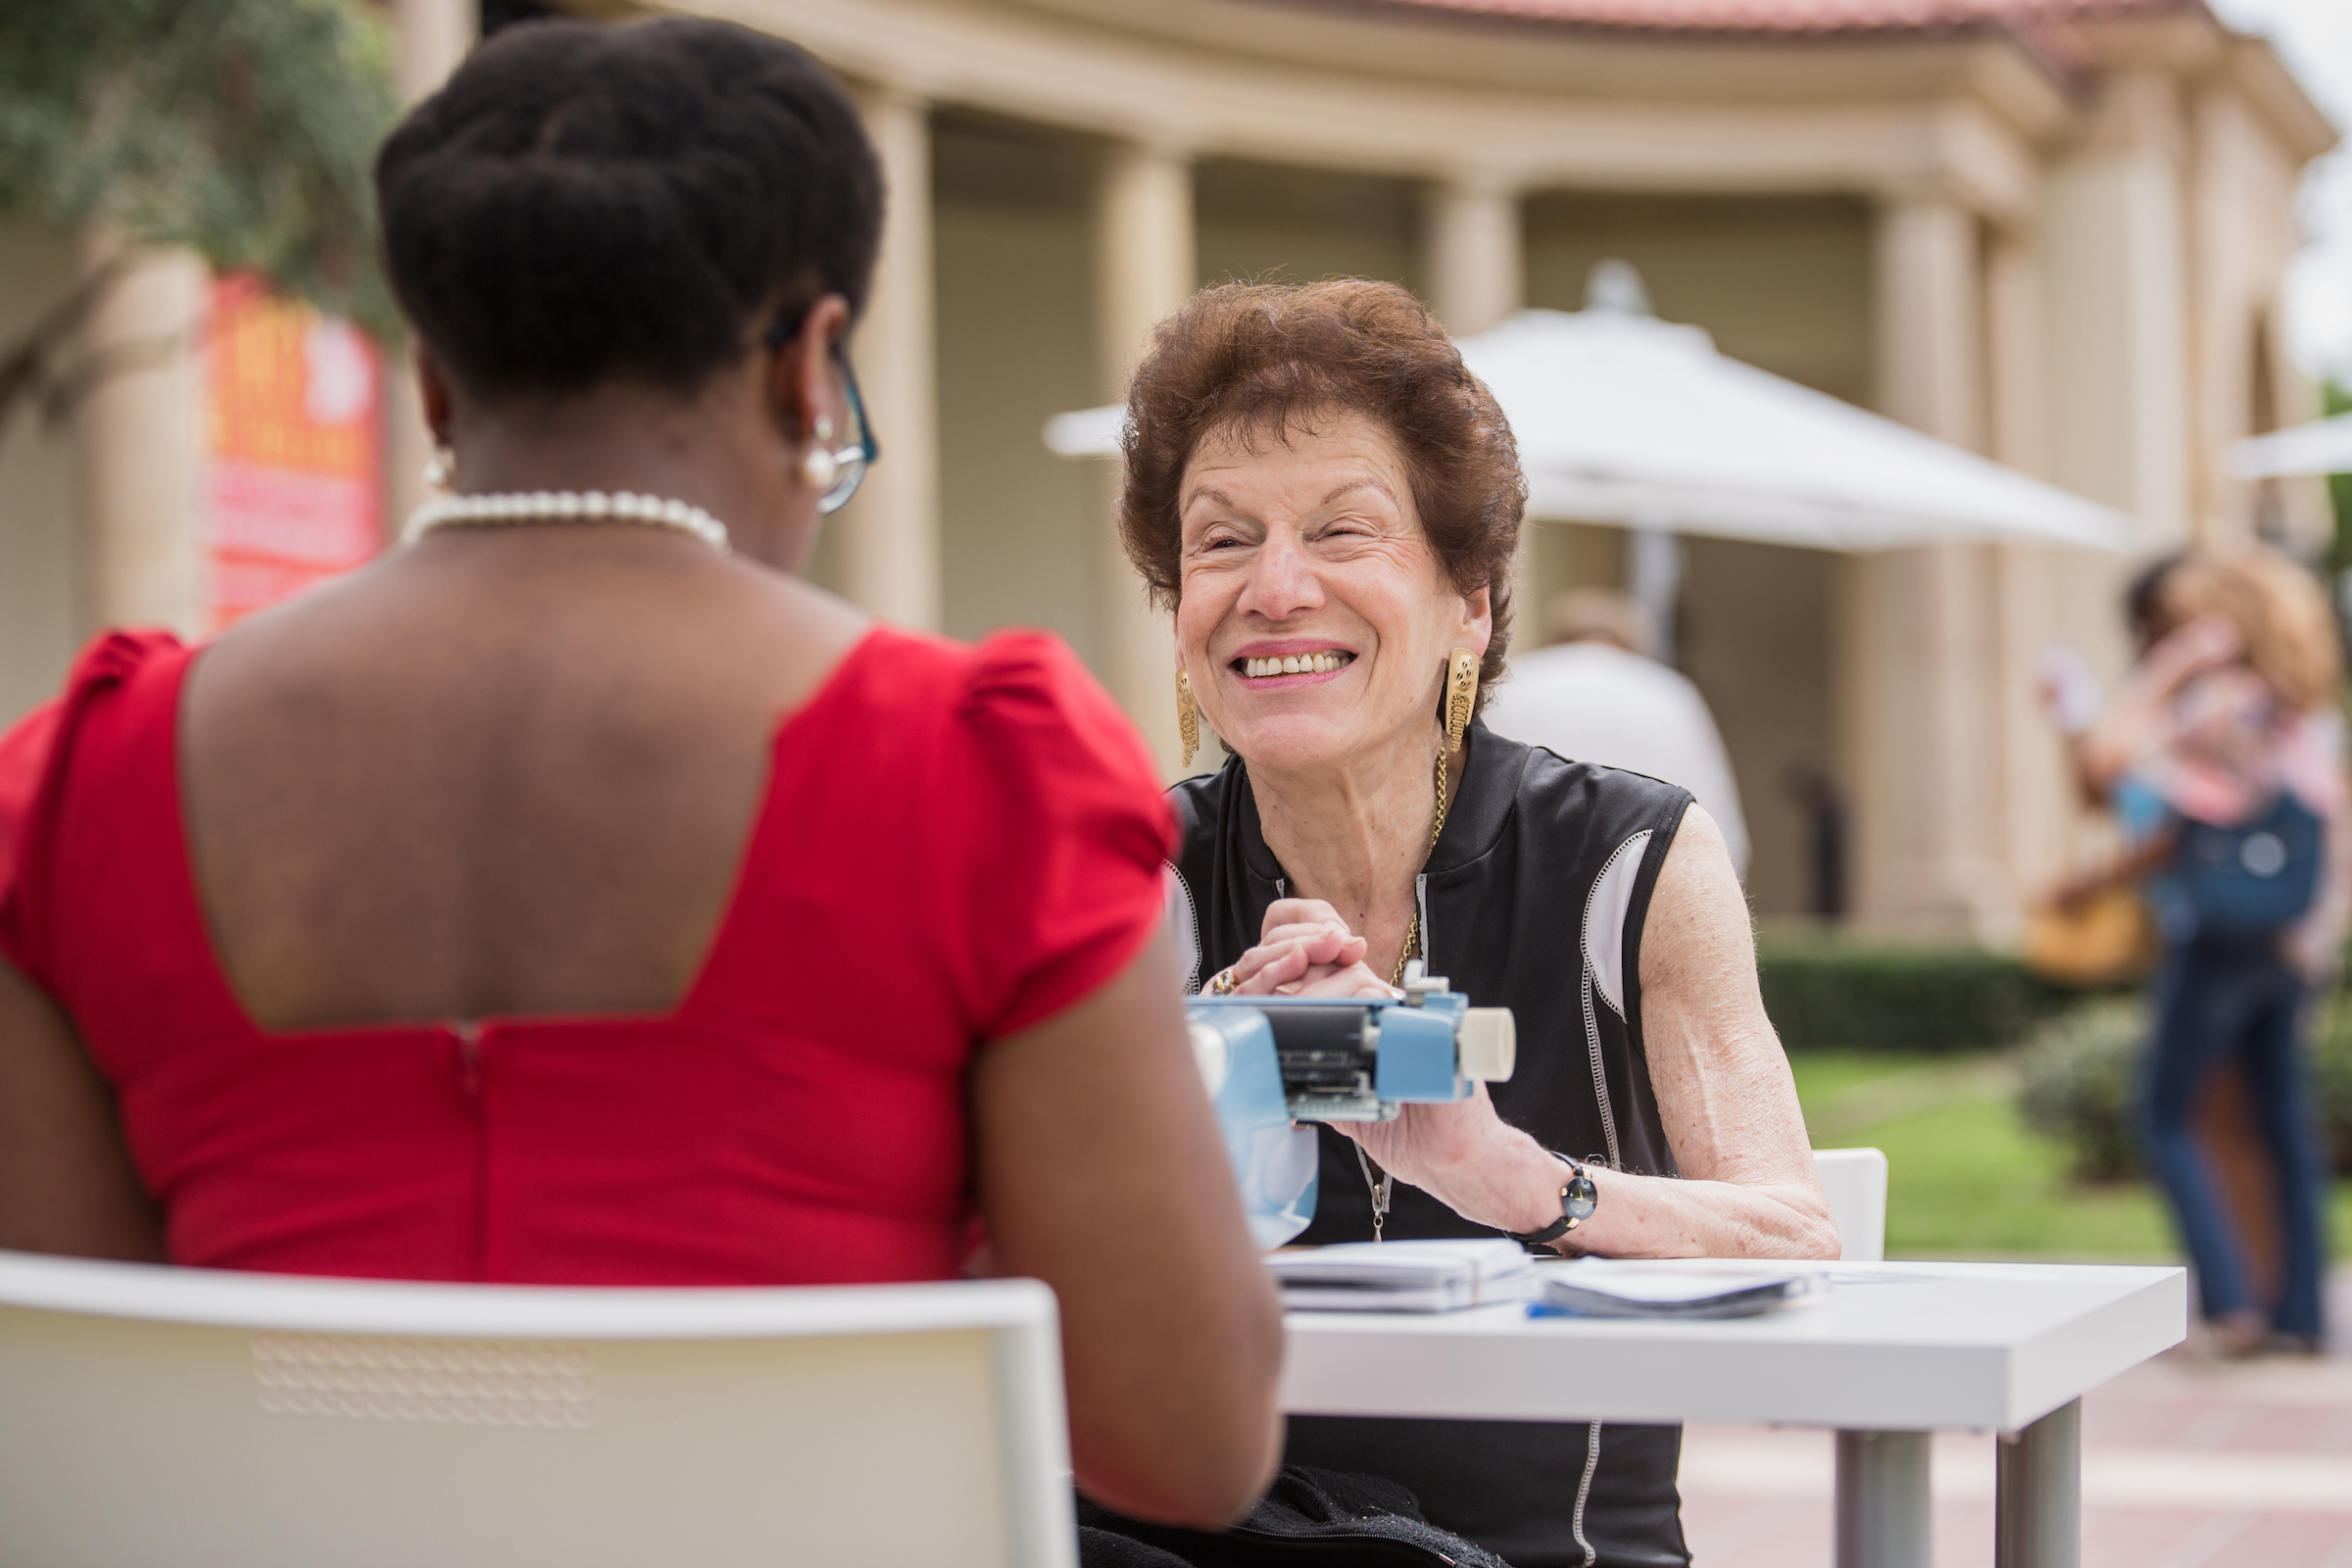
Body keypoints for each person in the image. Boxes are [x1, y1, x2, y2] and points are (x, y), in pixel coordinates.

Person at [0, 18, 1281, 1525]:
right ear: (811, 369)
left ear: (430, 384)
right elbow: (1189, 1447)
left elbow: (77, 1435)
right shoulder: (983, 775)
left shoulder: (83, 787)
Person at [1121, 279, 1836, 1568]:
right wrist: (1189, 1085)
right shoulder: (1128, 882)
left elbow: (1792, 1232)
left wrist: (1487, 1167)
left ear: (1471, 603)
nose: (1275, 588)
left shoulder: (1629, 858)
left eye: (1345, 532)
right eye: (1221, 544)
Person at [2059, 546, 2345, 1354]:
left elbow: (2110, 759)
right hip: (2290, 944)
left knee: (2165, 1113)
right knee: (2284, 1123)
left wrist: (2169, 672)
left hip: (2217, 935)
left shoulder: (2219, 703)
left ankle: (2230, 1306)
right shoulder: (2297, 709)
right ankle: (2300, 1313)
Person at [1483, 586, 1750, 876]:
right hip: (1642, 879)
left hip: (1523, 876)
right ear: (1634, 642)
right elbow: (1717, 818)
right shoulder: (1669, 693)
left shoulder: (1510, 685)